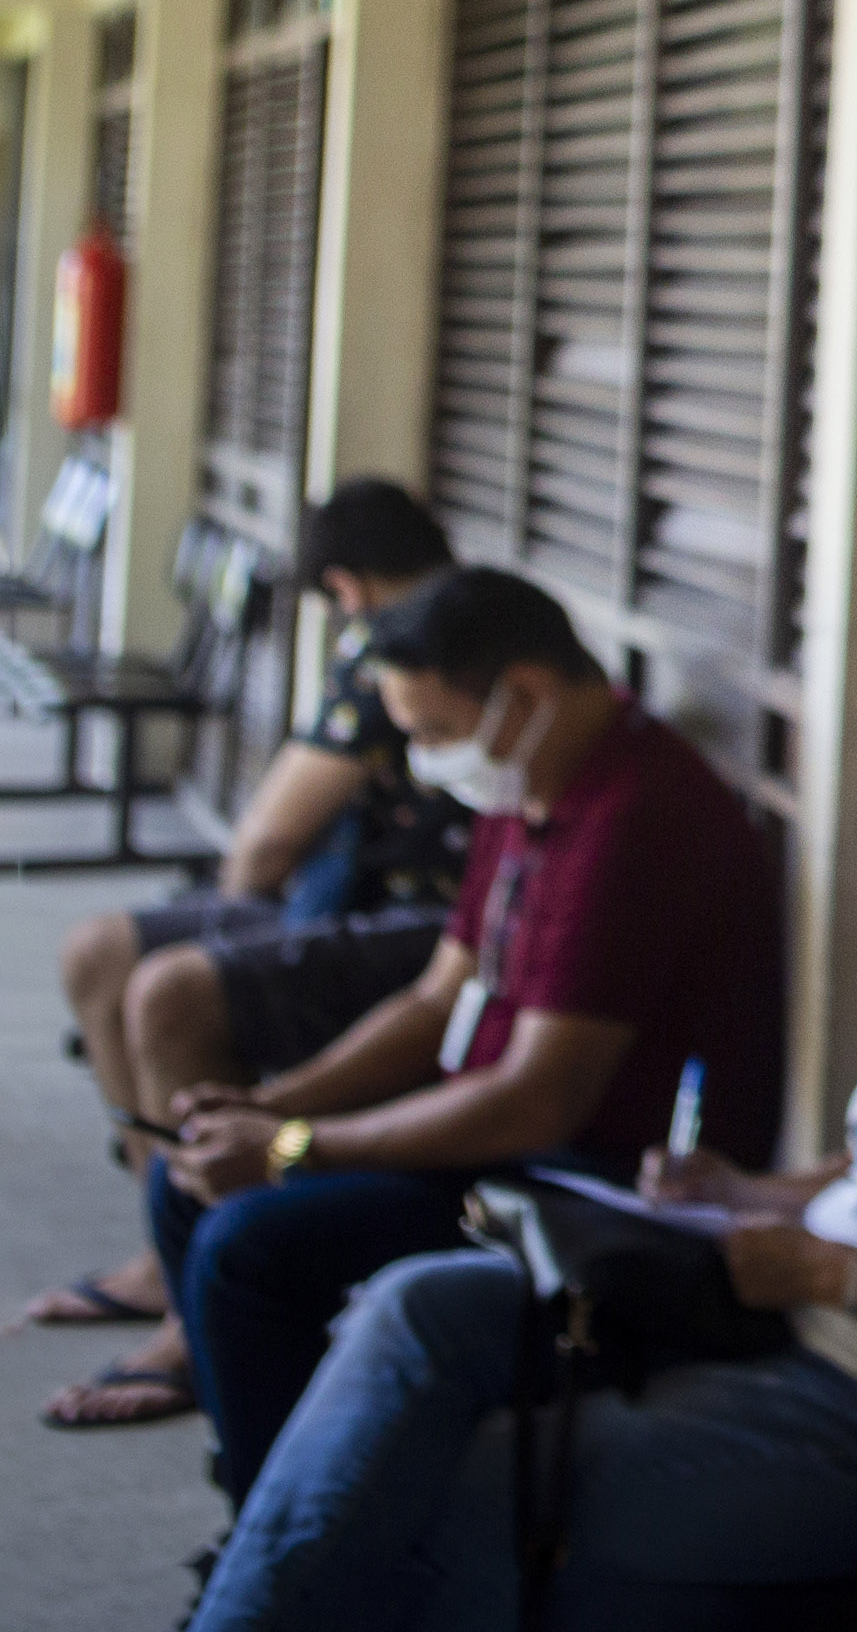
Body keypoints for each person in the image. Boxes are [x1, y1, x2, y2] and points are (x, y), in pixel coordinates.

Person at [188, 699, 857, 1632]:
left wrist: (834, 1275)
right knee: (416, 1307)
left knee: (477, 1481)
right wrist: (742, 1193)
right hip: (777, 1322)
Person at [144, 565, 785, 1503]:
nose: (423, 762)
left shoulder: (635, 820)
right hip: (496, 1133)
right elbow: (439, 997)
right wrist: (272, 1107)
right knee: (185, 1173)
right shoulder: (530, 787)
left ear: (522, 695)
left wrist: (293, 1147)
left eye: (434, 732)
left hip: (594, 1185)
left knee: (251, 1246)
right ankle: (275, 1470)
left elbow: (536, 1103)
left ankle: (292, 1530)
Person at [25, 479, 466, 1431]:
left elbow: (268, 841)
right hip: (349, 901)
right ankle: (167, 1247)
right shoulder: (429, 625)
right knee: (101, 950)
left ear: (346, 587)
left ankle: (196, 1306)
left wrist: (242, 934)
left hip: (413, 919)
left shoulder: (414, 645)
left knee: (172, 991)